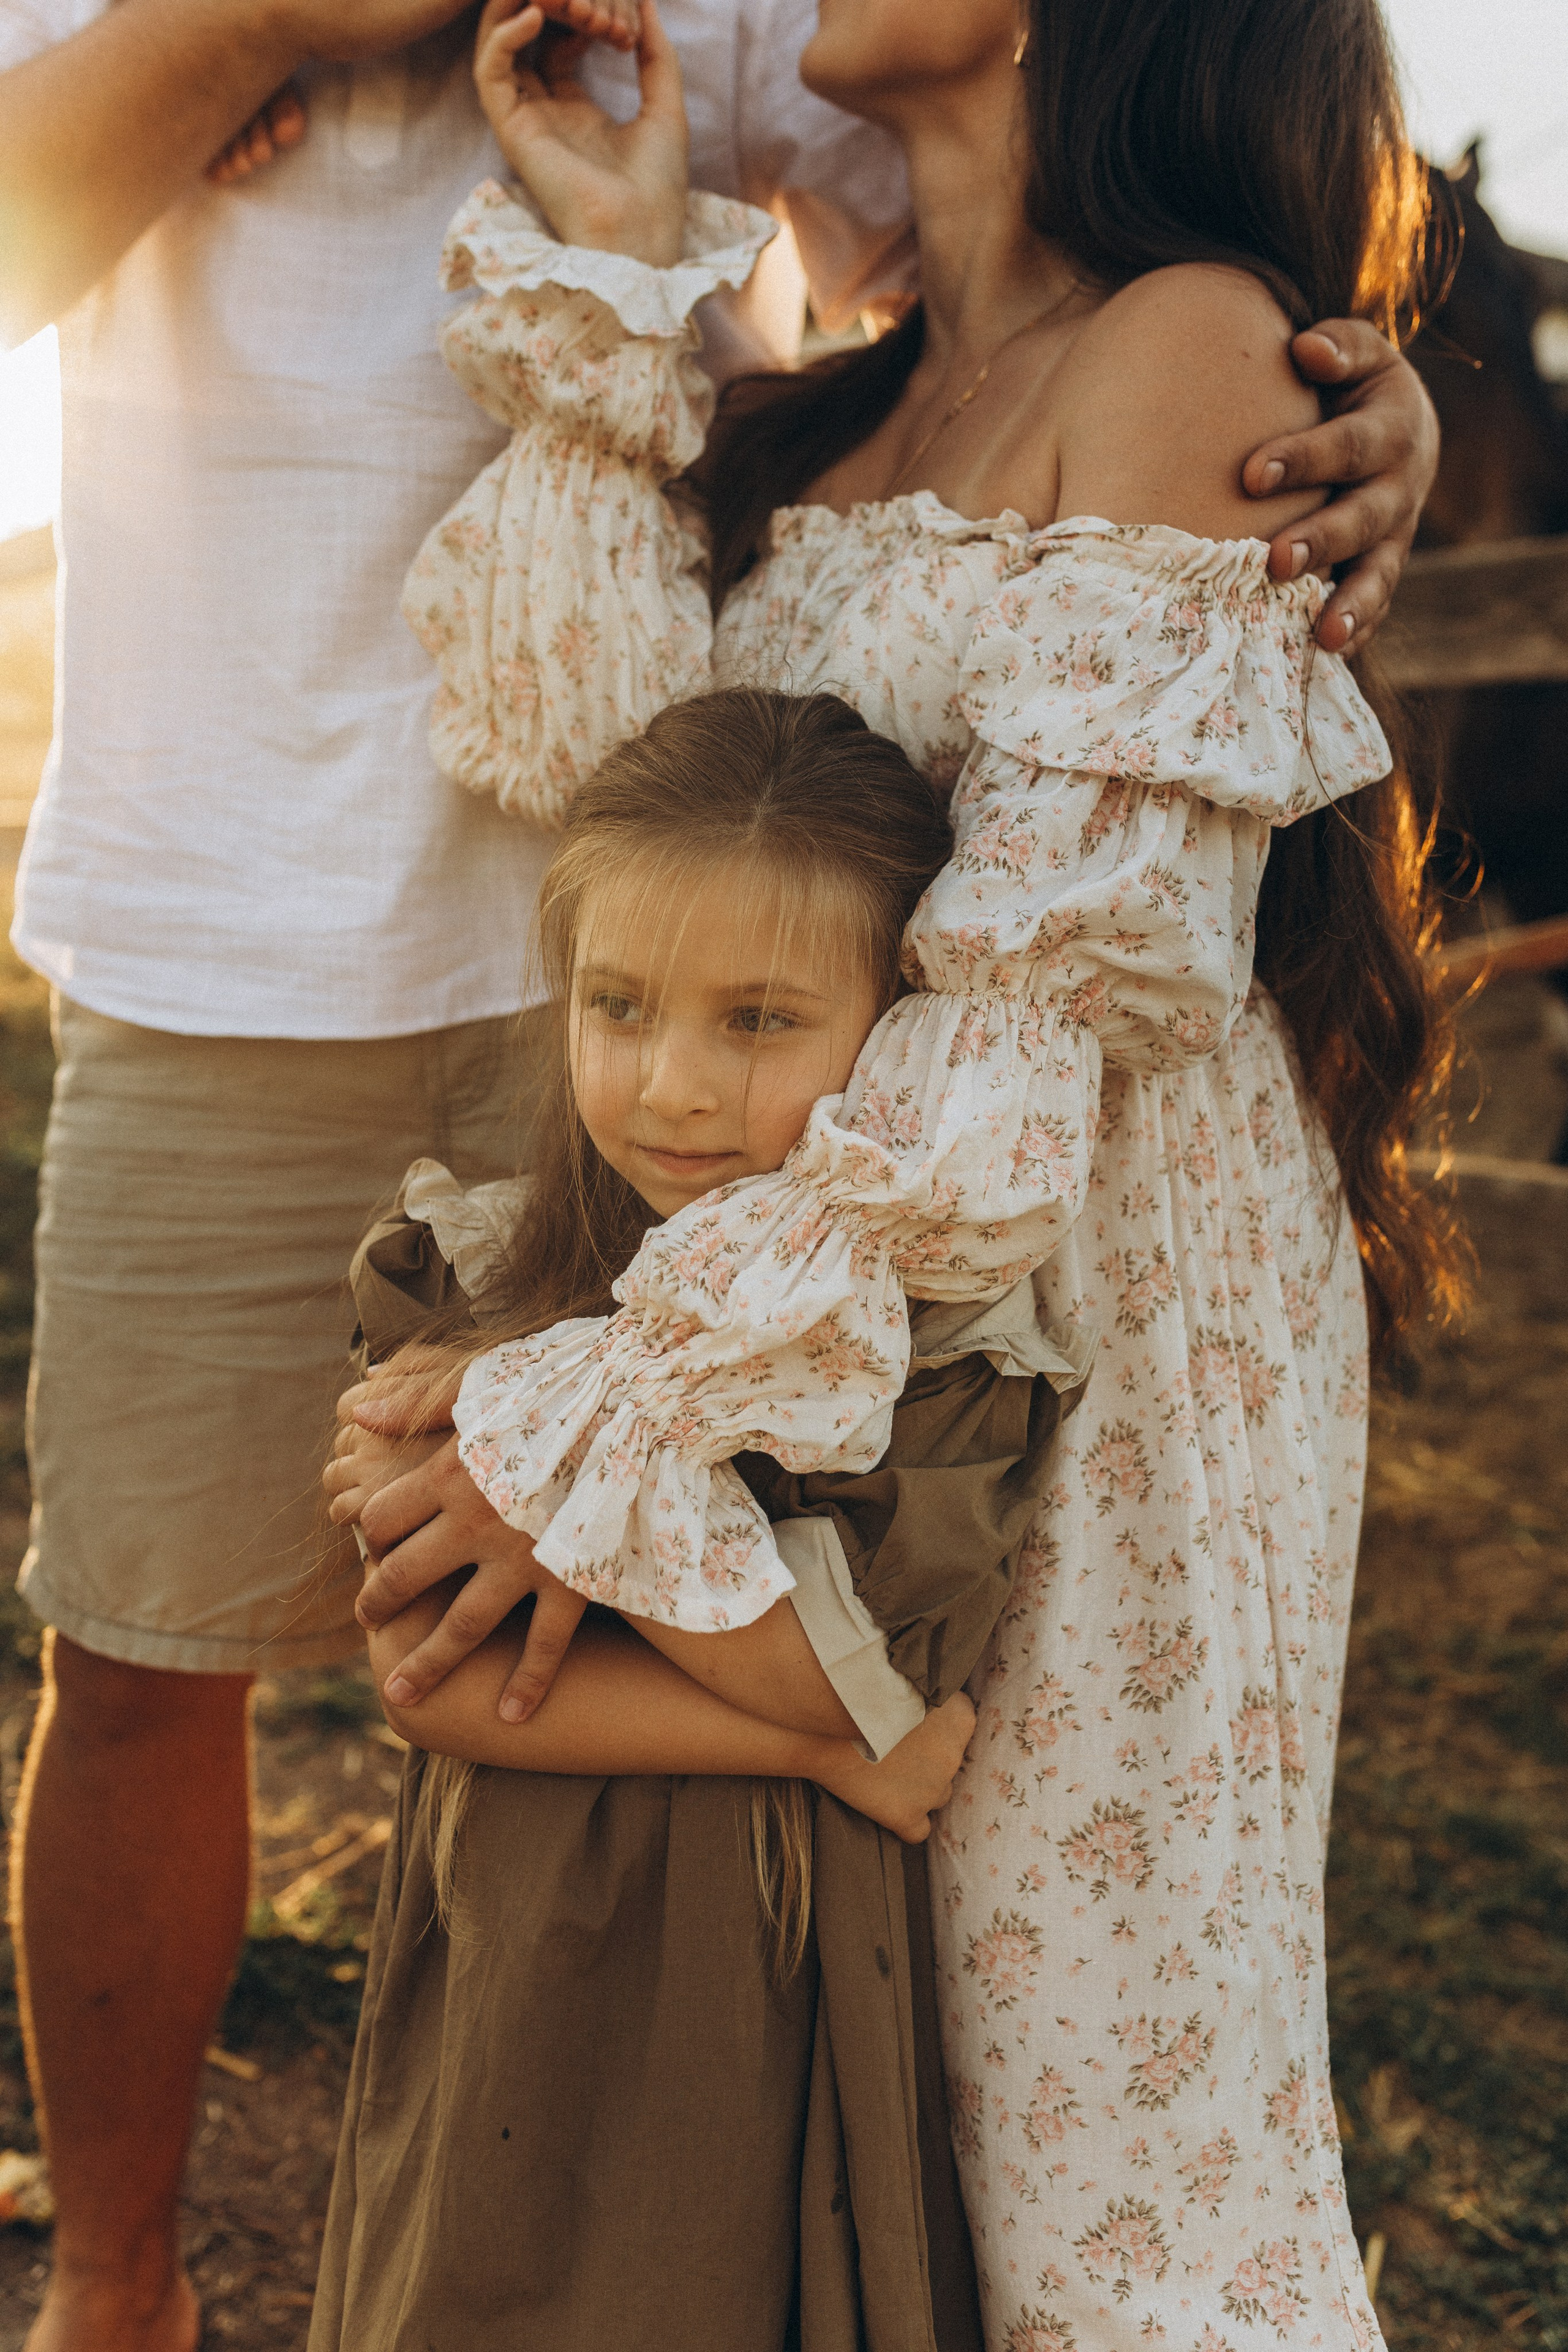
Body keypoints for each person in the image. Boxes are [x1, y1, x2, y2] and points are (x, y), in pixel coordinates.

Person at [347, 0, 1460, 2343]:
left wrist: (616, 1421)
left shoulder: (1191, 346)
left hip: (1088, 1295)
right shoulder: (867, 376)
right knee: (885, 2045)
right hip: (848, 1283)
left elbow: (1045, 1001)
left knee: (1105, 2104)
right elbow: (601, 764)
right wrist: (637, 259)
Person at [0, 7, 924, 2351]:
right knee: (132, 1654)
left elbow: (977, 259)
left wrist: (1332, 385)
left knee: (620, 1645)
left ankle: (601, 2266)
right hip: (210, 943)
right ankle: (118, 2290)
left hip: (642, 992)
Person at [314, 683, 1095, 2349]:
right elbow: (426, 1683)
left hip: (772, 1974)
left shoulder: (917, 1345)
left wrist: (583, 1461)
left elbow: (858, 1671)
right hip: (529, 1950)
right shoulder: (475, 1289)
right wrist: (816, 1754)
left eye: (758, 1022)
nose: (671, 1087)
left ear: (899, 1027)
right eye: (619, 1004)